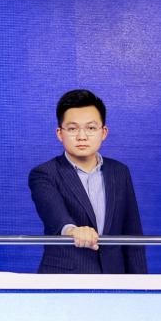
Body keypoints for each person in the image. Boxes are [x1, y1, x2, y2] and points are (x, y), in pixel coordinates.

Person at [28, 89, 146, 274]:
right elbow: (55, 215)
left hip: (114, 276)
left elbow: (132, 234)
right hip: (65, 277)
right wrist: (73, 231)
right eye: (72, 128)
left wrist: (141, 284)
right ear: (60, 133)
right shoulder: (44, 173)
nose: (82, 136)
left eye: (91, 128)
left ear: (103, 132)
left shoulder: (119, 172)